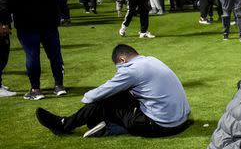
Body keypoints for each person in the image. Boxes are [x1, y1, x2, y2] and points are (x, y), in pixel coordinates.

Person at [35, 44, 190, 138]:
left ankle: (64, 125)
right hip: (181, 122)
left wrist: (86, 97)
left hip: (161, 126)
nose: (119, 71)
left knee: (104, 101)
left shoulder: (131, 70)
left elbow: (99, 93)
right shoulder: (151, 60)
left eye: (118, 67)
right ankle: (104, 125)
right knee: (119, 96)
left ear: (122, 59)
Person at [0, 0, 84, 100]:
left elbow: (3, 1)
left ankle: (35, 89)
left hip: (25, 22)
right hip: (48, 20)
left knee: (32, 55)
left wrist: (4, 22)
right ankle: (59, 86)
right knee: (54, 54)